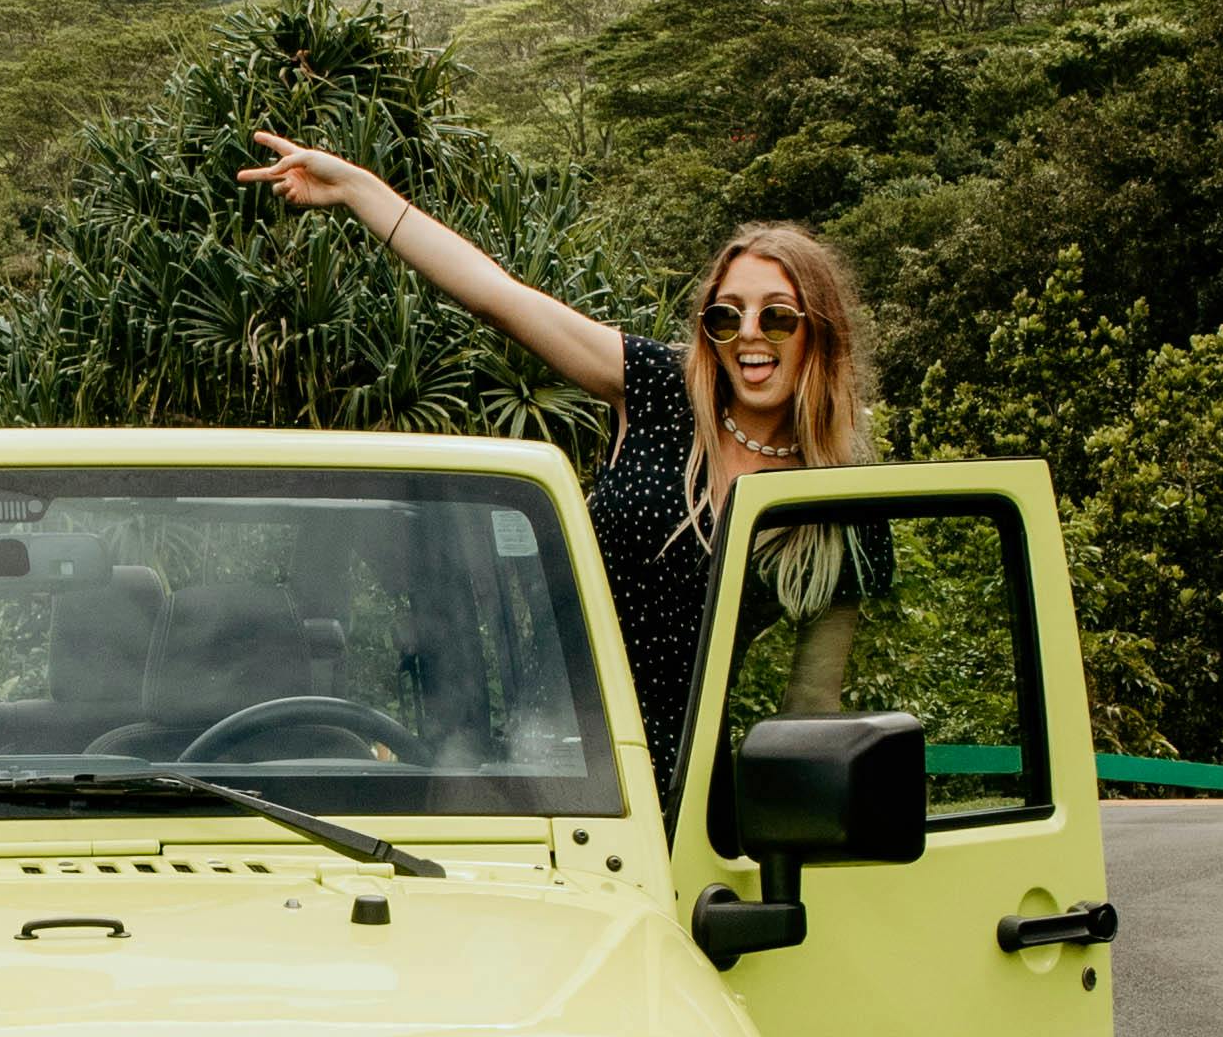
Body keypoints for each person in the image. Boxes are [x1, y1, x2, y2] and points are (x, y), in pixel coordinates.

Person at [239, 141, 883, 804]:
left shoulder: (841, 502)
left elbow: (810, 706)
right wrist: (357, 189)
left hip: (680, 789)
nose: (750, 333)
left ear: (818, 330)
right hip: (541, 751)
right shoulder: (663, 392)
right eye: (726, 315)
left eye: (776, 315)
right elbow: (499, 299)